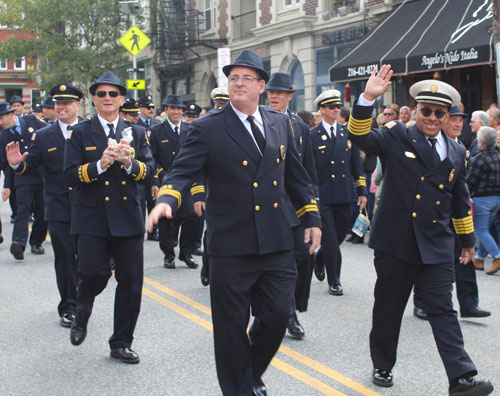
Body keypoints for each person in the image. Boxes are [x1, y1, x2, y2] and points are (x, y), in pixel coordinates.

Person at [148, 49, 321, 396]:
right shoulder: (208, 127)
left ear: (261, 85)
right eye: (233, 78)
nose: (238, 83)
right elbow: (182, 170)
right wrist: (166, 200)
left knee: (277, 314)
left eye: (246, 78)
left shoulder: (279, 123)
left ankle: (250, 373)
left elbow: (296, 178)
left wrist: (311, 217)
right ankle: (239, 389)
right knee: (230, 328)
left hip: (275, 239)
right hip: (231, 243)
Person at [348, 66, 493, 395]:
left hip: (437, 244)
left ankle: (461, 377)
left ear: (446, 116)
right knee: (389, 307)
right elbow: (359, 136)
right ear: (416, 111)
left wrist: (467, 240)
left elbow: (460, 200)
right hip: (397, 241)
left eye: (438, 112)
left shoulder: (456, 150)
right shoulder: (397, 134)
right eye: (425, 110)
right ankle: (382, 364)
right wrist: (369, 97)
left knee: (443, 309)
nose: (431, 117)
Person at [63, 71, 154, 364]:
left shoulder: (136, 133)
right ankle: (81, 311)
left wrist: (129, 162)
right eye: (101, 94)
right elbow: (69, 175)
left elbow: (150, 171)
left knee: (131, 282)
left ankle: (121, 342)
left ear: (122, 100)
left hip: (127, 217)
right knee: (92, 274)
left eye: (113, 94)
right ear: (93, 99)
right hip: (92, 218)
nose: (107, 99)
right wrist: (99, 165)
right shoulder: (80, 132)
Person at [6, 83, 83, 328]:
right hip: (59, 206)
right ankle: (69, 305)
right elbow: (31, 167)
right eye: (57, 103)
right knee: (64, 257)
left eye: (66, 103)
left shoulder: (90, 131)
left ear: (77, 105)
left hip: (88, 207)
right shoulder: (43, 135)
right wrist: (18, 165)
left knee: (91, 262)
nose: (60, 107)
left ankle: (83, 297)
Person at [413, 106, 491, 320]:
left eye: (461, 120)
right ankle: (421, 303)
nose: (458, 124)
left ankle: (468, 304)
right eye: (453, 119)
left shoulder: (459, 147)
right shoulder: (429, 146)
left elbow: (461, 189)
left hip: (455, 215)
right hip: (433, 215)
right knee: (427, 260)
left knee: (464, 259)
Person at [266, 72, 319, 340]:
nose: (274, 97)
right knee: (277, 263)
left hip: (296, 206)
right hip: (267, 205)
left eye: (279, 93)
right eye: (270, 93)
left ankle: (292, 307)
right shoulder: (259, 120)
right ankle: (284, 313)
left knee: (304, 256)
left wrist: (313, 208)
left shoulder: (299, 126)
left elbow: (308, 172)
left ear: (290, 94)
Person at [310, 89, 367, 296]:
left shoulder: (347, 133)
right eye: (331, 107)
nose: (336, 110)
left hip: (344, 195)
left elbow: (356, 166)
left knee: (341, 233)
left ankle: (320, 257)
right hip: (323, 196)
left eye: (338, 107)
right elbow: (309, 170)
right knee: (331, 239)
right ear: (322, 110)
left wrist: (362, 191)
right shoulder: (312, 136)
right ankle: (335, 280)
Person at [149, 94, 199, 269]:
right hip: (166, 181)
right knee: (168, 219)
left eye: (179, 109)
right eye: (172, 108)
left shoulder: (190, 130)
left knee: (191, 216)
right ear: (166, 110)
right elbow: (151, 158)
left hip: (186, 183)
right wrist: (161, 175)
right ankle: (168, 254)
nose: (176, 112)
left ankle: (186, 252)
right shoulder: (156, 131)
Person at [0, 101, 48, 260]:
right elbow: (7, 164)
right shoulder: (4, 136)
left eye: (2, 119)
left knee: (42, 211)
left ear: (9, 115)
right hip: (22, 177)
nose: (0, 123)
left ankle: (36, 241)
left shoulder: (33, 122)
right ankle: (18, 243)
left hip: (42, 175)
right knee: (23, 210)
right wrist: (7, 186)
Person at [466, 126, 500, 275]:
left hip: (482, 198)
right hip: (497, 198)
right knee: (485, 228)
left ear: (480, 143)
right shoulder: (499, 156)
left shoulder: (478, 158)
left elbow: (470, 181)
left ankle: (497, 256)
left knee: (480, 230)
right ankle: (479, 258)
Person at [137, 94, 160, 241]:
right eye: (148, 107)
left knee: (153, 201)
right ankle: (140, 228)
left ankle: (153, 230)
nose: (151, 109)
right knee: (140, 201)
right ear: (141, 109)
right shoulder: (135, 123)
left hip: (151, 166)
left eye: (152, 107)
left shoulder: (156, 124)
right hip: (139, 168)